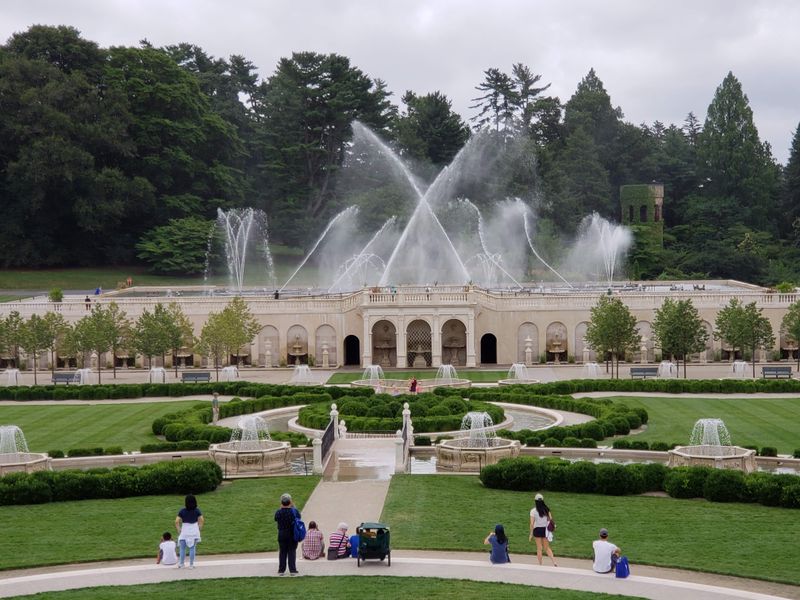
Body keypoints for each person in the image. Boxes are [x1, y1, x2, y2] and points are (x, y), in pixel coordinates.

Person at [175, 494, 204, 568]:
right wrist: (199, 528)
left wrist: (178, 529)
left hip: (185, 530)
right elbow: (202, 520)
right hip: (194, 530)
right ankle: (191, 565)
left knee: (182, 548)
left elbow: (176, 521)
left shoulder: (182, 511)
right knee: (192, 548)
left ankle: (181, 564)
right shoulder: (197, 510)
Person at [529, 493, 558, 566]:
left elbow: (532, 524)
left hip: (537, 530)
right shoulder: (546, 510)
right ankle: (554, 562)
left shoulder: (533, 511)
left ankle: (540, 564)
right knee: (547, 547)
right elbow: (551, 520)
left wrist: (531, 534)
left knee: (539, 548)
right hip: (545, 530)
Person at [274, 492, 300, 575]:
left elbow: (276, 519)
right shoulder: (294, 511)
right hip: (291, 534)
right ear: (290, 502)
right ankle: (292, 570)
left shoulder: (278, 512)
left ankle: (281, 570)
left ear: (281, 503)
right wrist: (293, 506)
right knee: (291, 552)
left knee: (282, 552)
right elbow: (299, 517)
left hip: (281, 534)